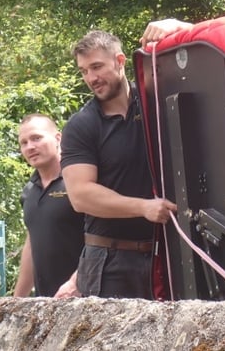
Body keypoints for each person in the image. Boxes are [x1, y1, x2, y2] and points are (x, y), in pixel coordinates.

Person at [57, 19, 190, 299]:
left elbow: (205, 62)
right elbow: (81, 195)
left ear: (120, 61)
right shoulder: (81, 125)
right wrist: (143, 207)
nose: (91, 78)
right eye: (84, 71)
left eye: (96, 67)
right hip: (109, 262)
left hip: (170, 255)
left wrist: (179, 27)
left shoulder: (154, 100)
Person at [13, 113, 85, 297]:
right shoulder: (29, 191)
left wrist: (76, 282)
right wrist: (16, 302)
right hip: (45, 303)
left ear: (58, 138)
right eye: (24, 142)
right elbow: (32, 243)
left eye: (36, 138)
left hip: (85, 297)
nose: (30, 147)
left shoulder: (79, 182)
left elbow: (102, 239)